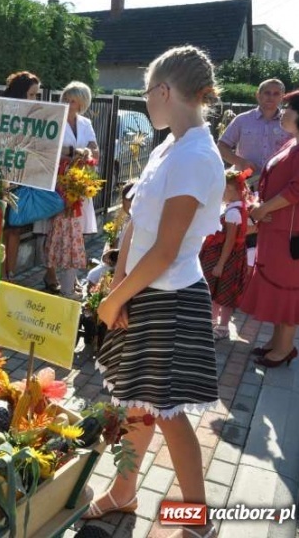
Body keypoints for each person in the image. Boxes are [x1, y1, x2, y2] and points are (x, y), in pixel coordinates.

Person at [90, 45, 225, 538]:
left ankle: (198, 522)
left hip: (167, 296)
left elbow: (167, 250)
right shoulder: (171, 145)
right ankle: (125, 493)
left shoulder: (194, 155)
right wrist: (119, 282)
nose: (146, 102)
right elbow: (136, 223)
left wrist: (116, 297)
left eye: (147, 92)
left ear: (165, 92)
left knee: (168, 416)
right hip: (144, 289)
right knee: (139, 403)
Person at [239, 89, 299, 368]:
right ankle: (276, 343)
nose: (283, 111)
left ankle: (285, 348)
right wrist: (260, 204)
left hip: (292, 234)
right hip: (278, 230)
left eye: (290, 107)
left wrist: (265, 209)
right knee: (279, 288)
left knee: (289, 291)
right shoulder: (294, 143)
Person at [43, 81, 100, 296]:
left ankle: (71, 276)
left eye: (72, 100)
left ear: (81, 103)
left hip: (80, 182)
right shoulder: (54, 120)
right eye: (65, 98)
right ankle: (50, 273)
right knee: (53, 229)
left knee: (75, 230)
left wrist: (88, 151)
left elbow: (95, 150)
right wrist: (74, 151)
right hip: (58, 182)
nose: (67, 103)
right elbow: (48, 149)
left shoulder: (85, 123)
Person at [198, 169, 250, 340]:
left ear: (228, 188)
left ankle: (221, 326)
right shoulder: (238, 207)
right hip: (229, 257)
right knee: (219, 291)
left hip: (225, 258)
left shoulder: (233, 212)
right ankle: (213, 321)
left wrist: (220, 263)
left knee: (223, 292)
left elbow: (229, 241)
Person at [1, 70, 41, 280]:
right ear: (20, 93)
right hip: (1, 179)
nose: (35, 99)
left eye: (37, 95)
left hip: (21, 180)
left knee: (15, 229)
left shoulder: (35, 118)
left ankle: (10, 274)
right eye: (32, 94)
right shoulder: (3, 113)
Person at [218, 78, 290, 173]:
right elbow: (221, 146)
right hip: (244, 180)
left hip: (277, 180)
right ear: (258, 95)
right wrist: (240, 162)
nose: (271, 97)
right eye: (267, 93)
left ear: (282, 98)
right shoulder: (242, 120)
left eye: (276, 94)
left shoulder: (289, 122)